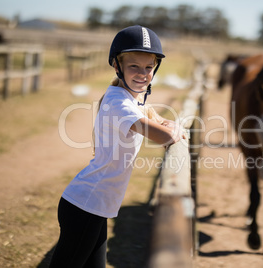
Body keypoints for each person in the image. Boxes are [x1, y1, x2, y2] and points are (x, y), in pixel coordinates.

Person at [49, 25, 184, 268]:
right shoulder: (119, 104)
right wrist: (175, 129)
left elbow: (157, 120)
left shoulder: (130, 99)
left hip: (96, 206)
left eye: (149, 67)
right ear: (117, 66)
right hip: (85, 206)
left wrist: (169, 125)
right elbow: (164, 135)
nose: (143, 73)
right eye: (134, 66)